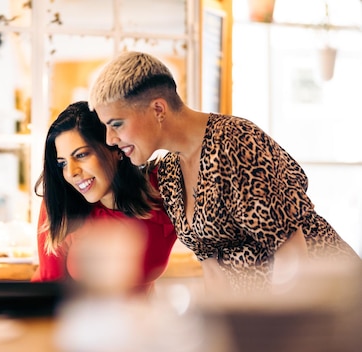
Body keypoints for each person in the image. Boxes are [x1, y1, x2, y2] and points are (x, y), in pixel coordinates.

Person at [88, 51, 360, 294]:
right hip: (262, 315)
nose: (110, 139)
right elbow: (213, 268)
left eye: (117, 124)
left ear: (158, 108)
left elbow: (291, 253)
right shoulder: (170, 172)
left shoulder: (234, 143)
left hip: (330, 300)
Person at [30, 101, 177, 292]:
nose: (71, 172)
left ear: (116, 149)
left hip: (140, 319)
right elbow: (49, 287)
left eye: (81, 155)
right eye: (62, 164)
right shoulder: (62, 202)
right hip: (77, 318)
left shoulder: (163, 187)